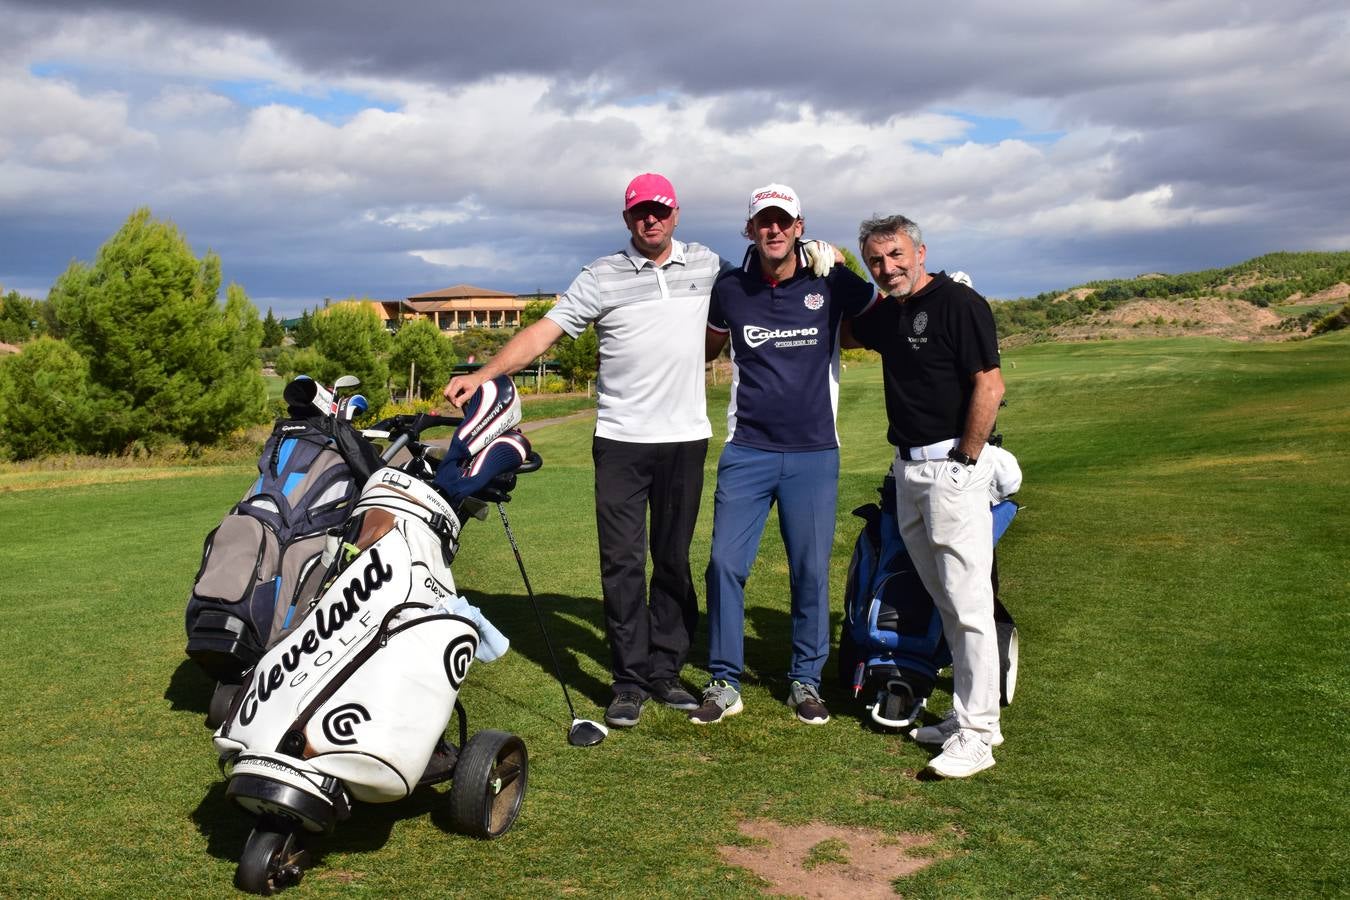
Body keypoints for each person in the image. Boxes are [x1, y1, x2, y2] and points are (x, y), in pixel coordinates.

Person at [443, 174, 834, 729]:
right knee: (623, 563)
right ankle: (629, 681)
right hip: (622, 441)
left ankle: (666, 670)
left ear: (675, 214)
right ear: (628, 220)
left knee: (673, 561)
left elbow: (767, 266)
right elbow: (545, 334)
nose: (650, 220)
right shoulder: (600, 275)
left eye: (660, 211)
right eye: (639, 213)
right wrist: (485, 371)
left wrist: (820, 251)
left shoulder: (708, 265)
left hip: (685, 439)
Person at [691, 184, 877, 726]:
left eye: (783, 221)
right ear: (750, 230)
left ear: (799, 226)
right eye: (762, 222)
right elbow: (704, 348)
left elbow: (883, 311)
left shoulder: (830, 280)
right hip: (746, 448)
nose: (773, 229)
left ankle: (805, 680)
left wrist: (841, 261)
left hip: (814, 452)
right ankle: (725, 680)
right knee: (725, 563)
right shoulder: (730, 288)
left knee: (810, 571)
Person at [846, 214, 1006, 778]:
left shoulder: (959, 303)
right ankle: (966, 718)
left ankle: (979, 733)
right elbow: (844, 333)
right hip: (909, 471)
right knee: (946, 601)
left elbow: (990, 383)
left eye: (896, 255)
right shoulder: (890, 312)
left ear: (920, 251)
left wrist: (967, 459)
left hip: (952, 467)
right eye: (875, 261)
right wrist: (837, 273)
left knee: (967, 606)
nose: (887, 268)